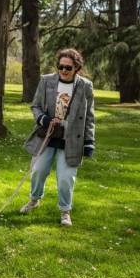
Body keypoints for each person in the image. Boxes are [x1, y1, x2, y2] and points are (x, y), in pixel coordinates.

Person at [20, 48, 95, 226]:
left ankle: (65, 211)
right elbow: (36, 105)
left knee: (65, 179)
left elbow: (90, 116)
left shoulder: (85, 86)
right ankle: (34, 199)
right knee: (38, 172)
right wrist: (43, 119)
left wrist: (89, 142)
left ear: (77, 68)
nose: (63, 70)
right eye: (60, 66)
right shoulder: (46, 81)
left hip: (71, 140)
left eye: (68, 68)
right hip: (47, 136)